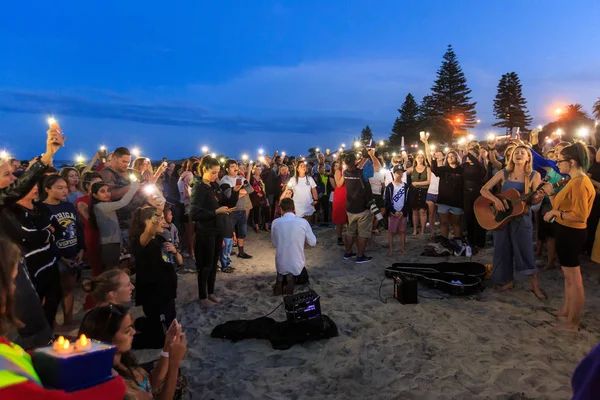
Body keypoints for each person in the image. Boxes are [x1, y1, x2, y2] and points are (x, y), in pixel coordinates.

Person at [480, 145, 546, 300]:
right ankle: (507, 281)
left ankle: (535, 286)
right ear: (511, 156)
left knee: (525, 250)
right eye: (516, 152)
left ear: (528, 158)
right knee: (502, 249)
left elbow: (535, 199)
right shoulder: (504, 173)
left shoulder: (534, 175)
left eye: (523, 153)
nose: (519, 154)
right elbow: (484, 189)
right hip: (502, 218)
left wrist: (540, 196)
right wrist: (495, 200)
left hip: (521, 218)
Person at [79, 305, 185, 400]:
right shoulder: (116, 384)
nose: (134, 332)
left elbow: (152, 385)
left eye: (132, 327)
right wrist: (174, 364)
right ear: (107, 340)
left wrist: (167, 348)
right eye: (127, 330)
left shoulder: (122, 360)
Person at [543, 142, 595, 331]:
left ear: (572, 162)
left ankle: (573, 322)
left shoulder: (580, 182)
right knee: (568, 277)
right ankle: (566, 310)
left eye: (560, 161)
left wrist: (556, 214)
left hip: (572, 232)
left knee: (574, 279)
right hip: (565, 230)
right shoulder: (572, 180)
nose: (558, 165)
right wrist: (550, 195)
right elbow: (560, 204)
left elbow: (580, 215)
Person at [190, 156, 240, 307]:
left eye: (218, 172)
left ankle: (210, 292)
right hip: (206, 232)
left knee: (213, 264)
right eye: (213, 172)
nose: (215, 175)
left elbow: (224, 203)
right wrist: (215, 212)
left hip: (217, 230)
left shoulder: (213, 186)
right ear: (204, 169)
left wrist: (235, 192)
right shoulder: (198, 187)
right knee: (205, 266)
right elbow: (194, 215)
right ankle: (202, 296)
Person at [130, 206, 180, 348]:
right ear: (149, 221)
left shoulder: (159, 238)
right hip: (154, 294)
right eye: (159, 219)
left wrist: (176, 253)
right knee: (161, 341)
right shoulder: (141, 241)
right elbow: (148, 231)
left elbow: (172, 260)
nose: (163, 221)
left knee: (169, 325)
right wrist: (158, 210)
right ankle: (123, 342)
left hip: (167, 292)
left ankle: (143, 324)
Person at [41, 175, 86, 328]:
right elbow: (44, 237)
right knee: (51, 291)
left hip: (72, 252)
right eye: (59, 188)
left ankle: (68, 319)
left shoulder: (68, 206)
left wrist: (81, 248)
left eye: (65, 187)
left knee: (69, 288)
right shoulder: (42, 209)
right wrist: (59, 256)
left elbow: (78, 227)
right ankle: (52, 323)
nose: (64, 191)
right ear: (48, 189)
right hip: (53, 256)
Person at [271, 198, 317, 295]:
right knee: (303, 276)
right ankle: (290, 279)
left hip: (281, 263)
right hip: (297, 264)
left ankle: (281, 279)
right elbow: (313, 242)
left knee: (283, 268)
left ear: (281, 209)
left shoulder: (275, 222)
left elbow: (274, 243)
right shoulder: (303, 222)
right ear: (293, 208)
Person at [342, 149, 381, 263]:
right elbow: (377, 166)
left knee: (350, 231)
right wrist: (371, 155)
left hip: (350, 207)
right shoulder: (362, 173)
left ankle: (348, 253)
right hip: (363, 207)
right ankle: (360, 256)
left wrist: (362, 159)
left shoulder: (345, 172)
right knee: (363, 233)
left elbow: (353, 166)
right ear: (355, 161)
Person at [90, 181, 140, 270]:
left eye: (108, 190)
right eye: (102, 191)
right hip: (109, 244)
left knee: (116, 270)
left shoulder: (107, 205)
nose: (107, 194)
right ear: (95, 195)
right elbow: (122, 203)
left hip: (114, 243)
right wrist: (133, 188)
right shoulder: (100, 206)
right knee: (112, 272)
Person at [220, 159, 253, 259]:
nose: (235, 169)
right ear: (227, 169)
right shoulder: (224, 180)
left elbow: (250, 189)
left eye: (236, 166)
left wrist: (236, 192)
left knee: (241, 232)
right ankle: (225, 255)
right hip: (231, 209)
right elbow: (228, 195)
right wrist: (241, 192)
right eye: (232, 167)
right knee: (228, 232)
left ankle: (241, 252)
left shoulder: (241, 178)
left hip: (242, 208)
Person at [76, 172, 103, 277]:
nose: (100, 186)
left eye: (101, 183)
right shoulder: (82, 201)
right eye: (96, 183)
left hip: (106, 235)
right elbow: (91, 221)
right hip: (92, 236)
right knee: (97, 269)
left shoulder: (106, 199)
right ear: (87, 186)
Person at [384, 165, 410, 256]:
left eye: (401, 172)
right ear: (394, 173)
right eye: (398, 172)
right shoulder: (390, 186)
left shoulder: (406, 186)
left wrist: (403, 211)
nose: (400, 174)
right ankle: (390, 250)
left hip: (403, 212)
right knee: (391, 232)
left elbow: (408, 201)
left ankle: (402, 248)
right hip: (393, 213)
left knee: (402, 231)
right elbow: (387, 201)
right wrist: (393, 211)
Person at [406, 153, 430, 236]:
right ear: (416, 159)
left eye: (421, 158)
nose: (420, 159)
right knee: (415, 211)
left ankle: (422, 231)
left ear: (424, 159)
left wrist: (417, 183)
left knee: (423, 211)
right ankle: (415, 230)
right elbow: (403, 171)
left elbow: (428, 181)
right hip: (414, 191)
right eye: (418, 157)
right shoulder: (412, 169)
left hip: (424, 191)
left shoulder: (427, 169)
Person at [425, 150, 445, 234]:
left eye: (439, 154)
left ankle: (442, 230)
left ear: (443, 156)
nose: (437, 156)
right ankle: (432, 230)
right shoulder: (432, 166)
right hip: (431, 192)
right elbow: (428, 154)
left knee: (442, 214)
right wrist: (425, 142)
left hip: (441, 192)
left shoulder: (446, 167)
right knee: (431, 213)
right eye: (436, 154)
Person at [331, 159, 348, 246]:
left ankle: (349, 236)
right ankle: (339, 237)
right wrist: (344, 173)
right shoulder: (338, 172)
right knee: (340, 218)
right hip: (340, 195)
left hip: (348, 195)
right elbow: (339, 184)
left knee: (348, 217)